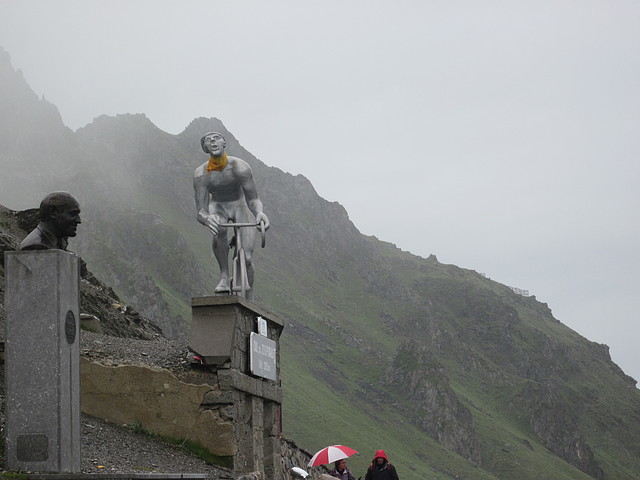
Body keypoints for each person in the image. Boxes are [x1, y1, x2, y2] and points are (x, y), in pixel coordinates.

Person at [193, 132, 270, 294]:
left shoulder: (240, 167)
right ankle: (224, 276)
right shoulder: (201, 175)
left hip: (240, 206)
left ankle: (247, 295)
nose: (213, 142)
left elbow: (253, 198)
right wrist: (207, 219)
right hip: (218, 206)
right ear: (205, 148)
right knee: (218, 228)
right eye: (208, 140)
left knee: (247, 258)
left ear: (224, 142)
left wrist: (259, 213)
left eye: (216, 138)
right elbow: (201, 210)